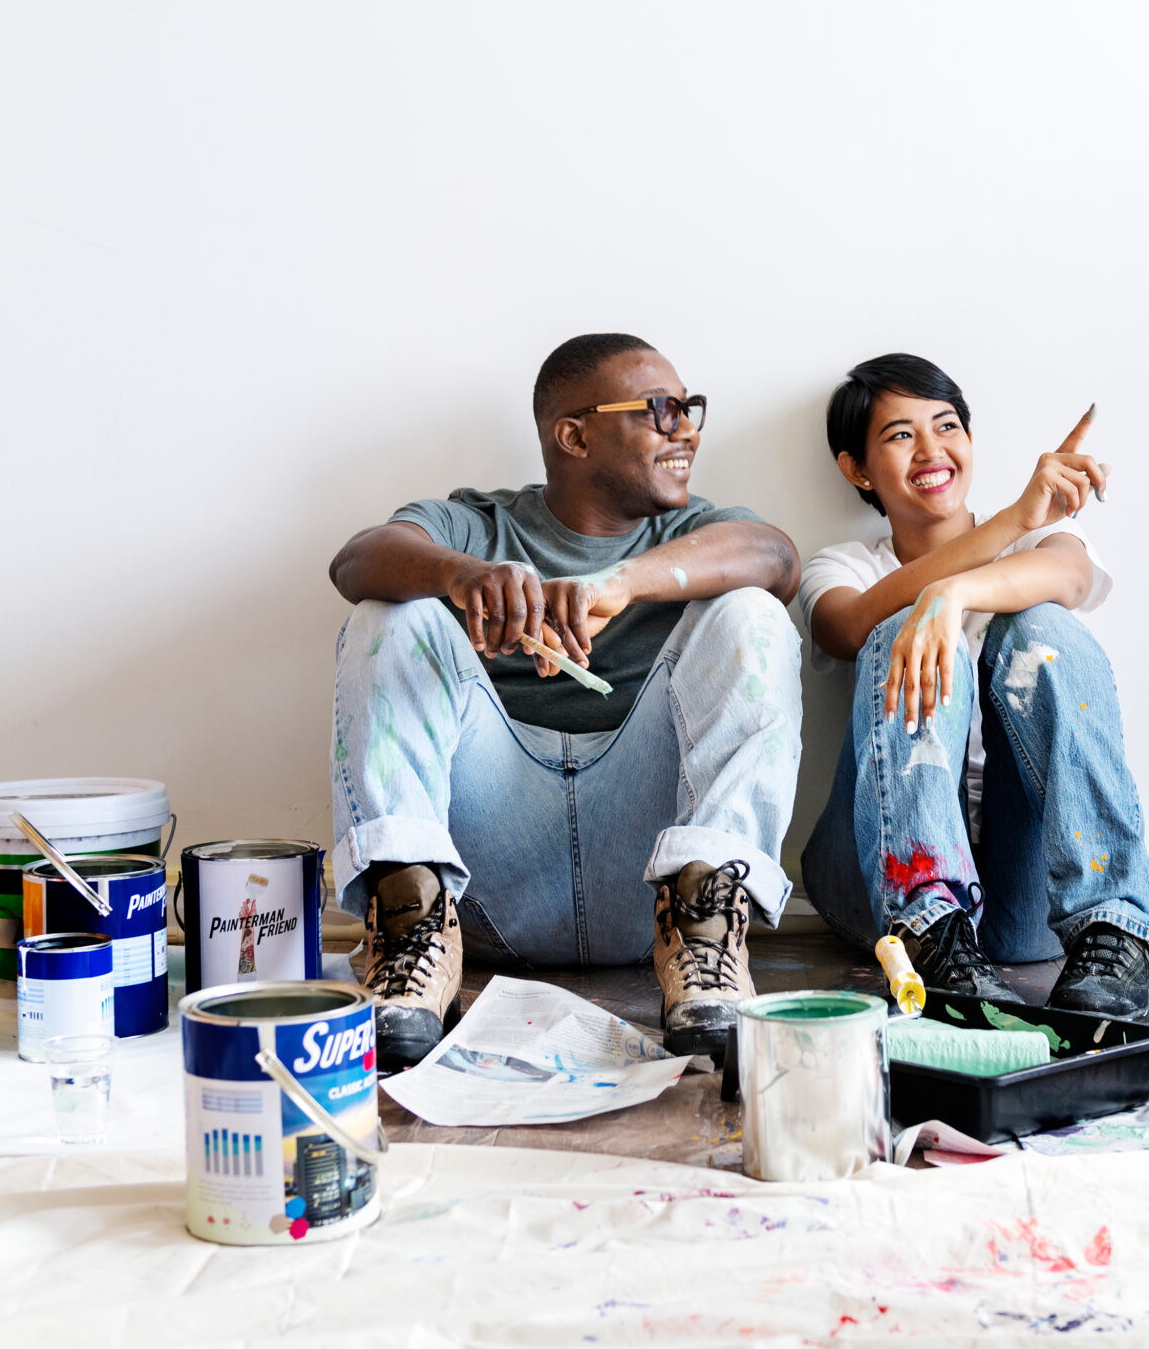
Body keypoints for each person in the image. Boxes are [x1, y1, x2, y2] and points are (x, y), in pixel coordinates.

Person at [328, 333, 804, 1068]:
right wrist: (462, 577)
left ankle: (710, 943)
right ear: (574, 434)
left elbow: (777, 559)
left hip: (646, 880)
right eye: (658, 409)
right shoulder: (479, 522)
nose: (685, 428)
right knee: (387, 613)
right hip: (490, 877)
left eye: (689, 408)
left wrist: (622, 585)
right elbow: (355, 560)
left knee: (754, 613)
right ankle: (412, 932)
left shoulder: (691, 532)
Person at [794, 353, 1149, 1020]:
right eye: (900, 434)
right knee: (895, 625)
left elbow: (1072, 579)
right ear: (856, 469)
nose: (931, 449)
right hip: (876, 888)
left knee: (1042, 626)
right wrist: (997, 534)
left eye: (946, 426)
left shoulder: (1045, 537)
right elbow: (847, 627)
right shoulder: (844, 565)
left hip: (1025, 897)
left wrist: (955, 593)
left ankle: (1113, 928)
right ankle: (931, 930)